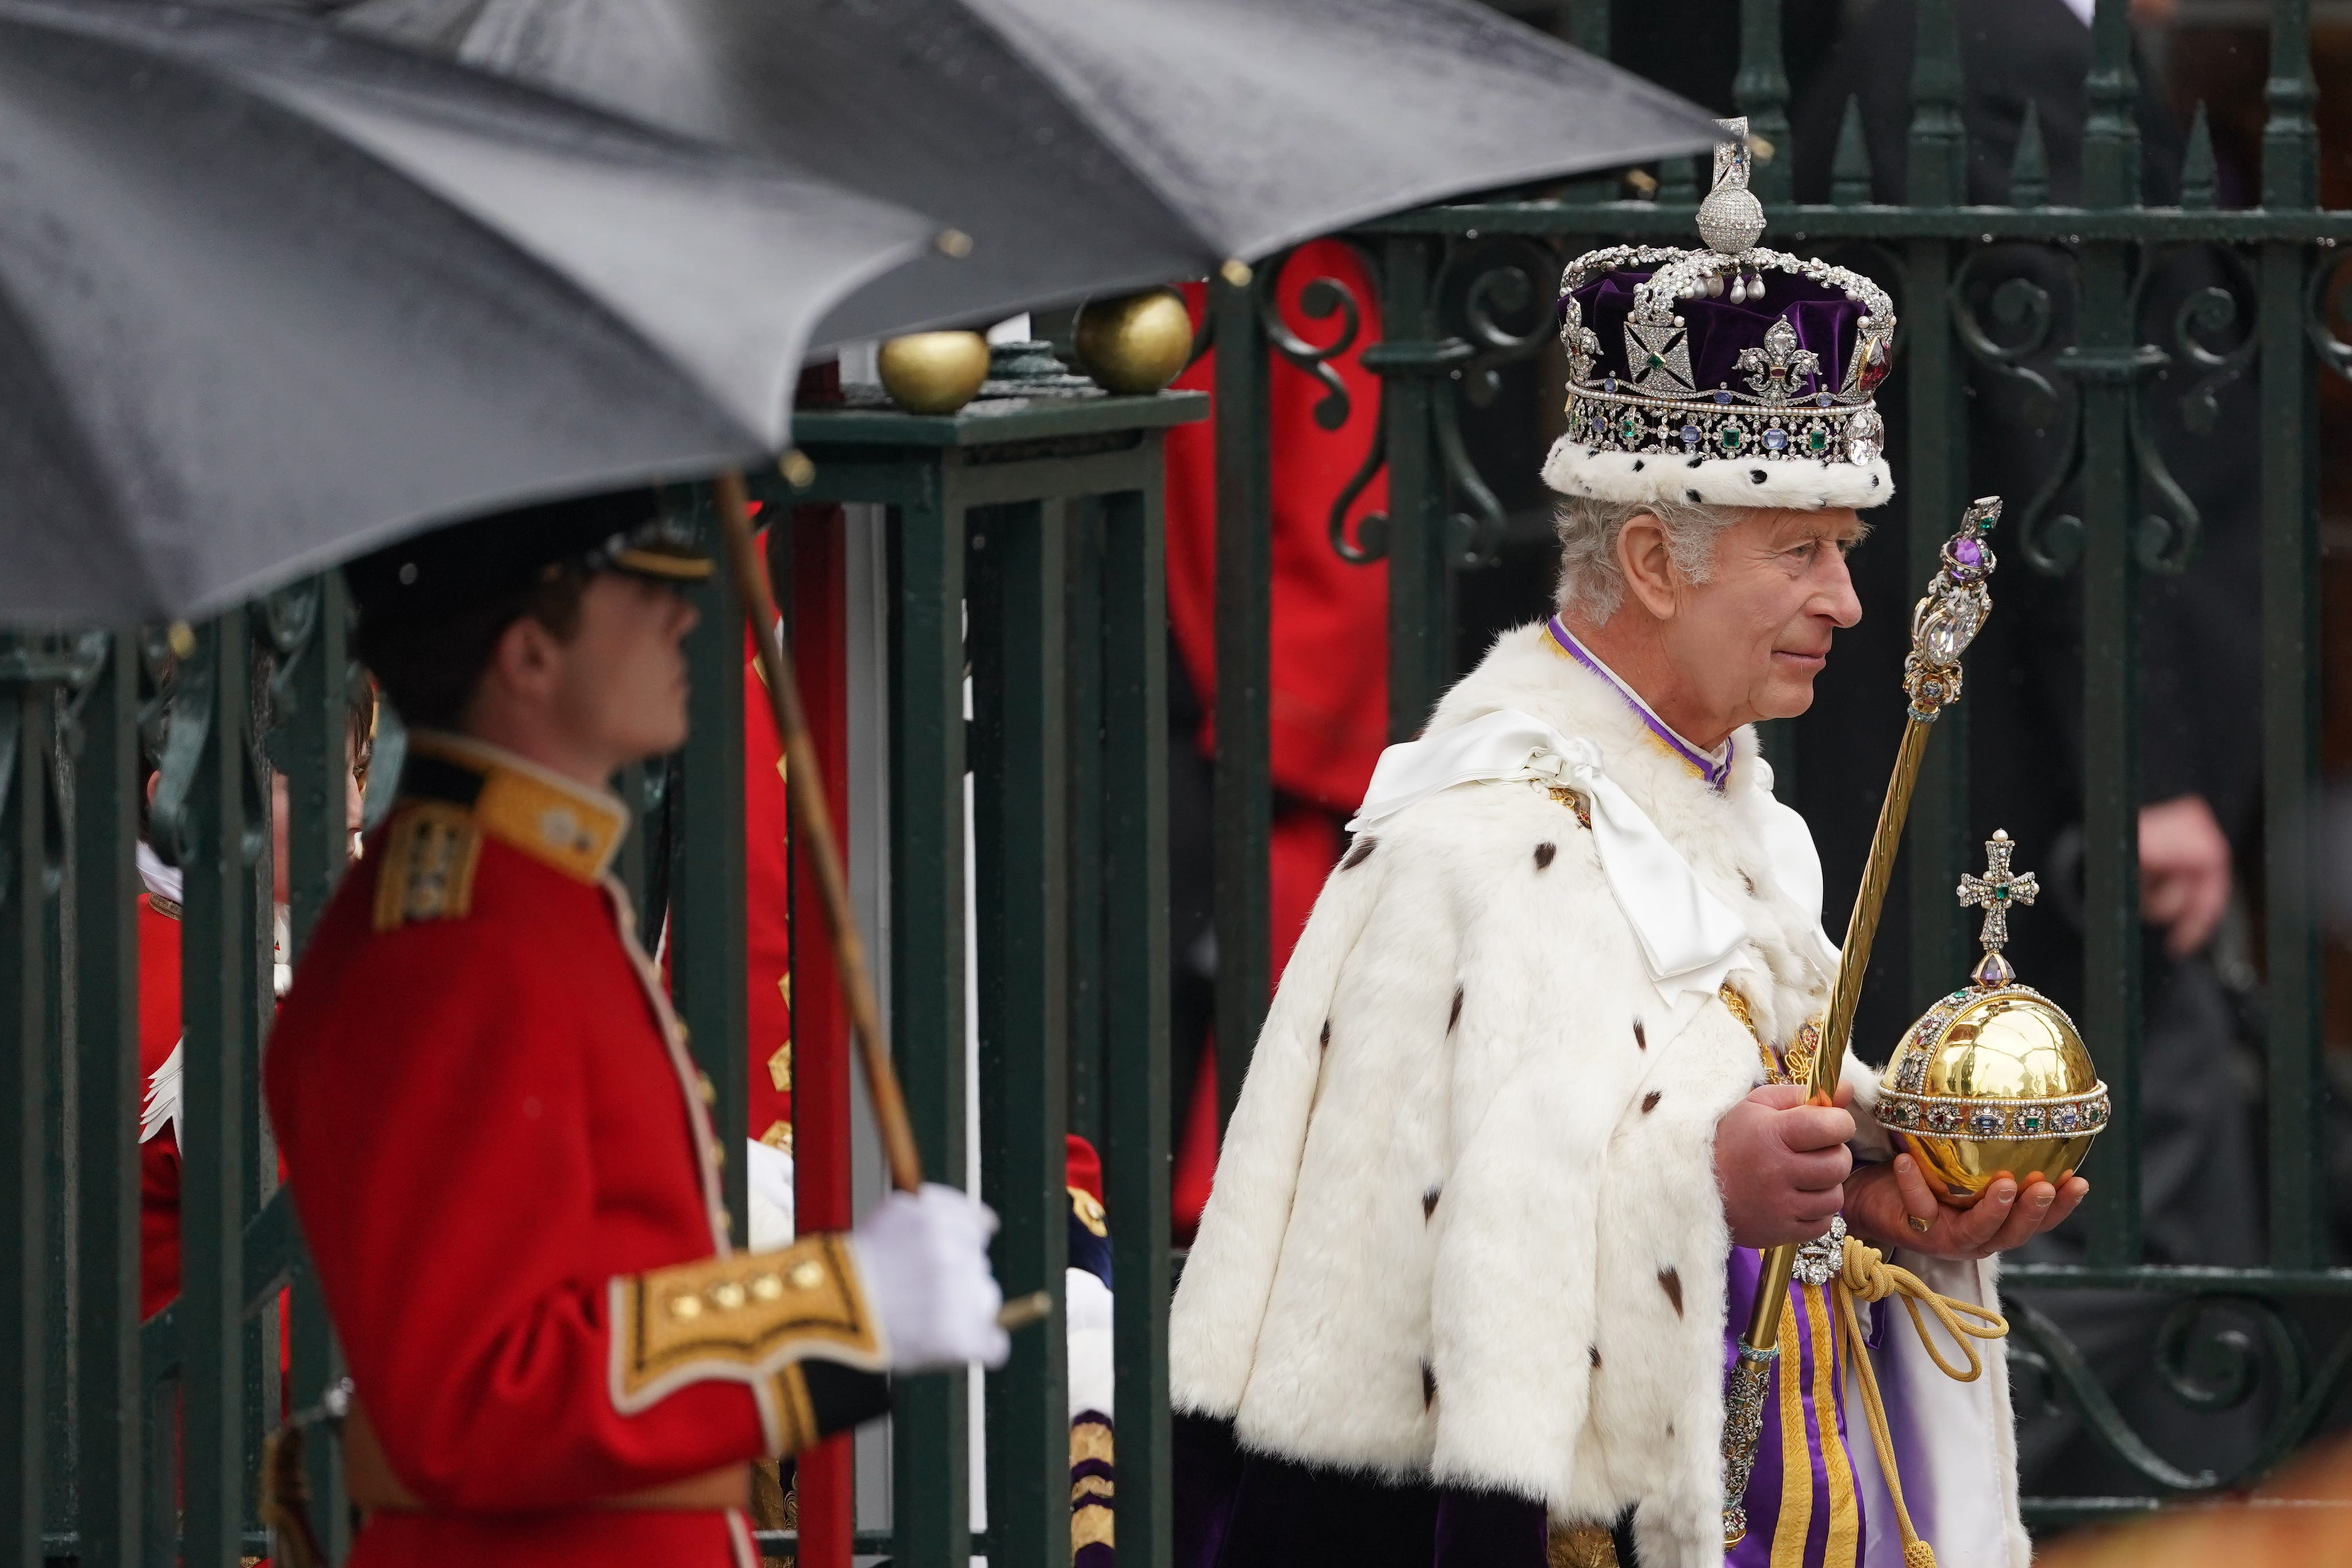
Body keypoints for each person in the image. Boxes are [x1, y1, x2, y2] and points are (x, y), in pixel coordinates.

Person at [1167, 131, 2086, 1568]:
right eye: (1802, 553)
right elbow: (1409, 1307)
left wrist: (1889, 1185)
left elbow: (1743, 1116)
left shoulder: (1736, 804)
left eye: (1845, 550)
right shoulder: (1472, 841)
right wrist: (1700, 1185)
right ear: (1657, 562)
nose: (1849, 602)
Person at [265, 490, 1008, 1568]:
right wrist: (834, 1310)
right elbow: (478, 1396)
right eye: (640, 588)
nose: (685, 616)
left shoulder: (527, 894)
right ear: (528, 656)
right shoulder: (460, 948)